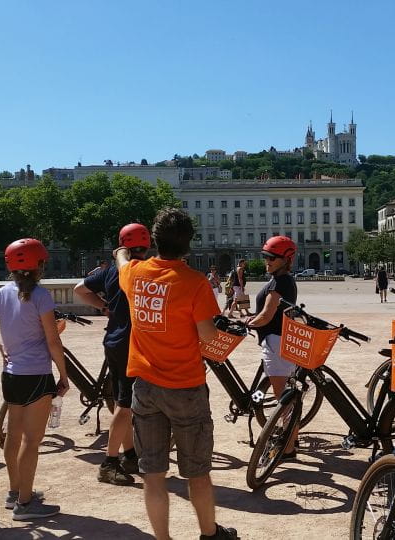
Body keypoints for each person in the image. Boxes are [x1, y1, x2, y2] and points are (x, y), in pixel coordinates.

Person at [115, 208, 237, 540]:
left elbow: (122, 259)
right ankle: (210, 534)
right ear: (188, 245)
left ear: (154, 241)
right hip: (185, 386)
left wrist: (122, 250)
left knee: (152, 474)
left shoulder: (135, 274)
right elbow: (207, 336)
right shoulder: (195, 283)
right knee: (197, 473)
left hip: (145, 387)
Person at [0, 238, 69, 520]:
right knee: (32, 441)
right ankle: (25, 503)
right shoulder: (41, 297)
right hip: (36, 374)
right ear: (39, 265)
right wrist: (64, 375)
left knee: (13, 434)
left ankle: (14, 491)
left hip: (11, 375)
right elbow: (53, 341)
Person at [73, 224, 151, 486]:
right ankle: (109, 463)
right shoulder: (144, 271)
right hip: (133, 343)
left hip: (114, 340)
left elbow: (78, 290)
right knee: (126, 405)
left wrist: (105, 306)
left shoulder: (108, 272)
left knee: (122, 400)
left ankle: (129, 455)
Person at [246, 236, 299, 459]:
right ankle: (290, 439)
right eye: (265, 256)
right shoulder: (281, 279)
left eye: (271, 257)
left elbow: (268, 314)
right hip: (277, 341)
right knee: (283, 396)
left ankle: (288, 448)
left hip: (276, 342)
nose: (266, 260)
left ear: (285, 259)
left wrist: (247, 323)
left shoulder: (281, 281)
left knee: (283, 401)